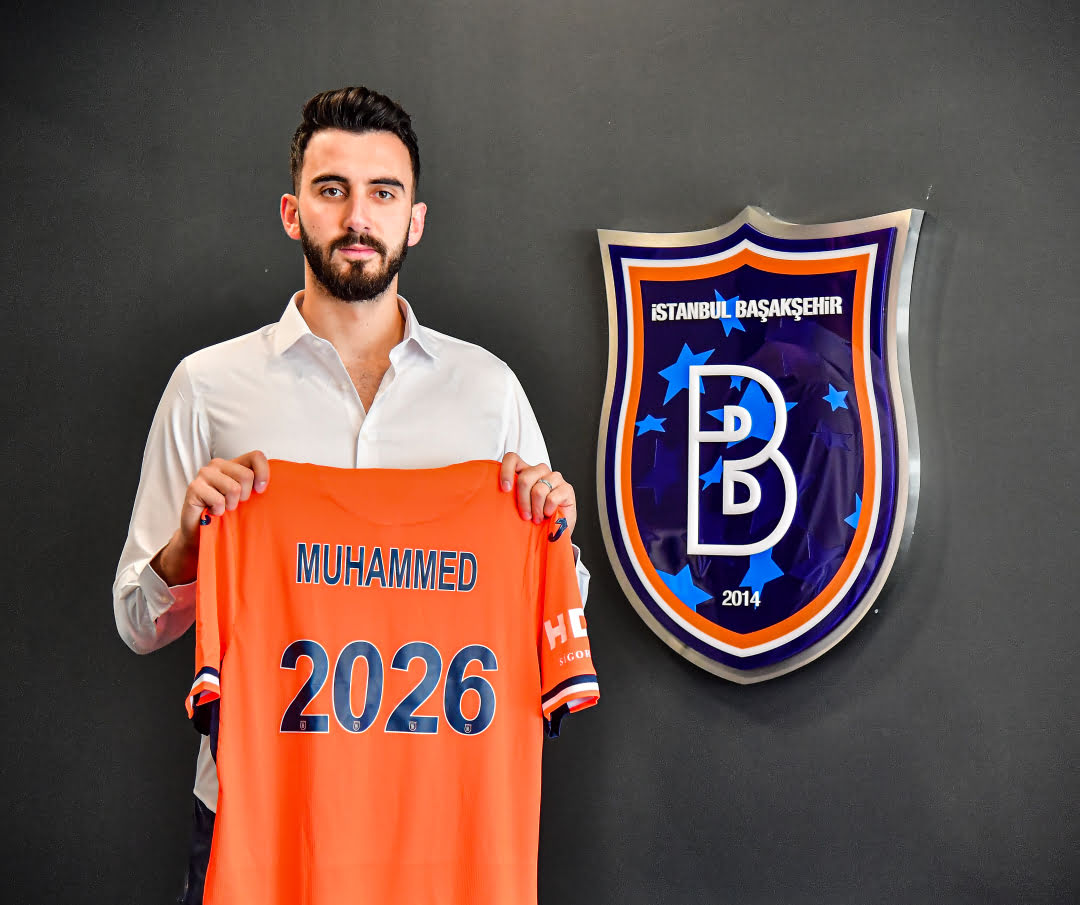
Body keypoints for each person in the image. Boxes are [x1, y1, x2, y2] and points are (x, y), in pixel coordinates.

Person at [113, 86, 589, 905]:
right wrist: (189, 544)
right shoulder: (208, 387)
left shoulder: (489, 392)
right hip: (262, 820)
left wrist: (553, 536)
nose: (357, 217)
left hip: (441, 828)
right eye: (332, 190)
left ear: (415, 220)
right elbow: (136, 620)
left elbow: (552, 610)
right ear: (293, 212)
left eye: (383, 193)